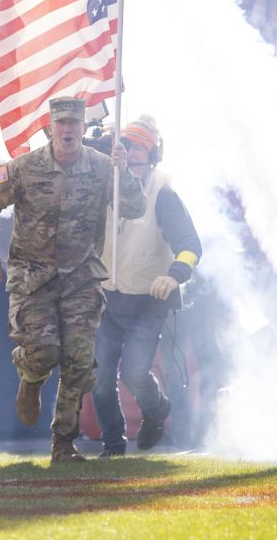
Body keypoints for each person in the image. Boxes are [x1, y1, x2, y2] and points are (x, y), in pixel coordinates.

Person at [0, 97, 145, 463]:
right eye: (60, 124)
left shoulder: (101, 168)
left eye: (74, 124)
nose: (67, 130)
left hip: (81, 278)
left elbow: (134, 207)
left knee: (79, 358)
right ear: (49, 128)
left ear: (83, 128)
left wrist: (123, 172)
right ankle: (30, 375)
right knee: (45, 353)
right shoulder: (23, 169)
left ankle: (63, 444)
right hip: (33, 279)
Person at [92, 116, 201, 457]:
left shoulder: (164, 195)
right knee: (99, 378)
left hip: (148, 301)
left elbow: (190, 245)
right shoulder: (103, 188)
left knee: (135, 374)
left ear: (153, 154)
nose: (133, 154)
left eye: (140, 147)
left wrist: (174, 275)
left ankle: (157, 410)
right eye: (127, 147)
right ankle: (113, 444)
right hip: (106, 298)